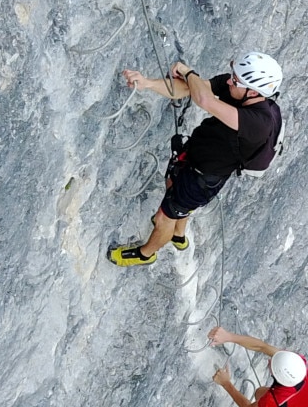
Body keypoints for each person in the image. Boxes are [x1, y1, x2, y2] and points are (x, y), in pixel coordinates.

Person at [111, 52, 283, 266]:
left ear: (253, 92)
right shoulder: (236, 89)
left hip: (203, 179)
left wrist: (188, 71)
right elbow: (190, 89)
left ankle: (146, 254)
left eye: (236, 80)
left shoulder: (259, 123)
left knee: (165, 217)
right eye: (233, 75)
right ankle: (178, 235)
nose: (229, 80)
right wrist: (147, 83)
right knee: (173, 187)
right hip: (196, 153)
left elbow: (204, 99)